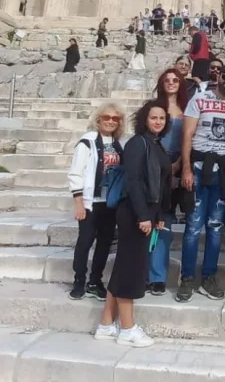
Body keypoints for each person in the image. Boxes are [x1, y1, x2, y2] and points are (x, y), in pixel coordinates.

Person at [94, 101, 171, 348]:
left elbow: (157, 185)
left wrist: (158, 215)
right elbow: (134, 181)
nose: (158, 121)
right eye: (153, 117)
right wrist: (144, 216)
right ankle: (127, 329)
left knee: (123, 267)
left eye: (162, 118)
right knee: (132, 269)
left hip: (145, 213)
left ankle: (106, 324)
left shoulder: (155, 144)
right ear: (144, 120)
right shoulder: (138, 143)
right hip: (134, 214)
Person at [178, 64, 225, 302]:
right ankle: (187, 278)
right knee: (193, 226)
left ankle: (209, 276)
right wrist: (185, 168)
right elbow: (187, 135)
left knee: (215, 227)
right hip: (198, 167)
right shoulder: (199, 99)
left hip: (223, 172)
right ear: (218, 77)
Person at [67, 101, 125, 301]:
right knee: (85, 242)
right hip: (91, 202)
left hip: (109, 203)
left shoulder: (119, 144)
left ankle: (95, 281)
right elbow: (76, 172)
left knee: (105, 243)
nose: (110, 121)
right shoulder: (87, 141)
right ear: (98, 119)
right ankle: (78, 281)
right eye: (106, 117)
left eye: (115, 119)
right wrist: (78, 201)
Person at [146, 69, 190, 295]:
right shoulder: (153, 107)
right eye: (167, 80)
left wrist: (179, 166)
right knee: (152, 223)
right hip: (155, 172)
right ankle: (149, 273)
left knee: (166, 224)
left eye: (176, 80)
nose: (171, 83)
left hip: (178, 171)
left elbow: (190, 140)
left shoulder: (188, 109)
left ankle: (158, 276)